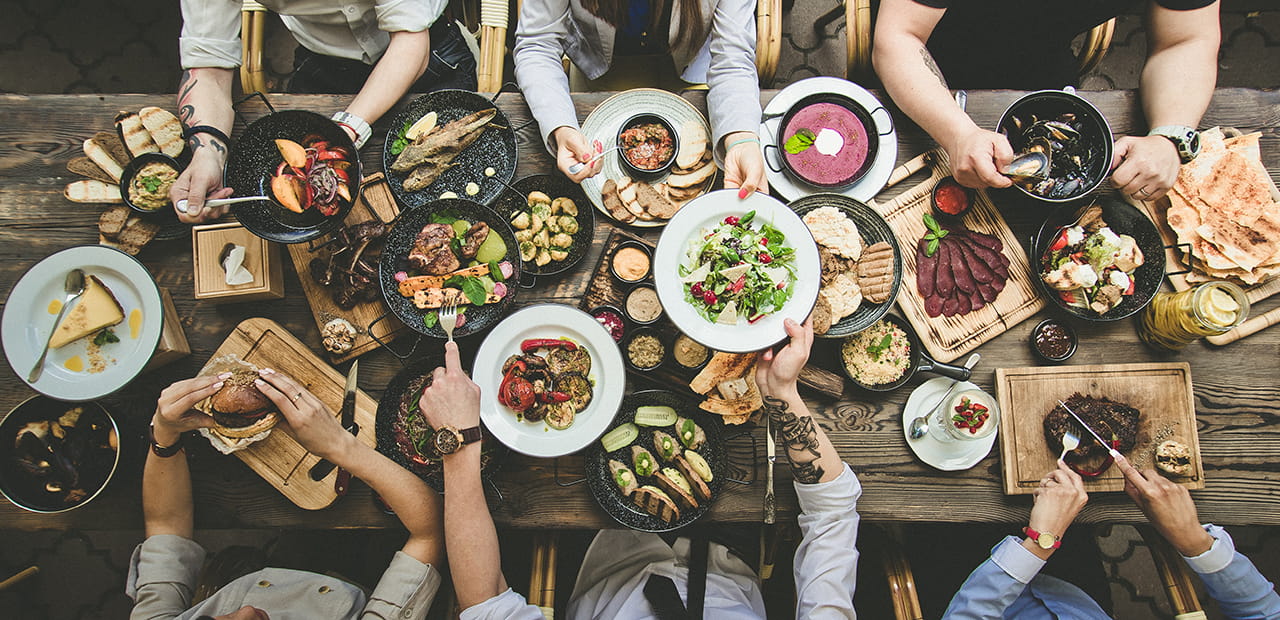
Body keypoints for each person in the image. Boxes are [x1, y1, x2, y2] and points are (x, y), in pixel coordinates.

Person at [417, 319, 860, 618]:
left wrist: (458, 441)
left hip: (604, 555)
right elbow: (832, 515)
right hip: (732, 555)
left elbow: (483, 602)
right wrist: (781, 392)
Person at [126, 369, 445, 619]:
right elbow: (429, 532)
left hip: (254, 564)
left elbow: (165, 524)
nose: (248, 611)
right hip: (365, 578)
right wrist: (340, 446)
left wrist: (164, 433)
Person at [872, 0, 1220, 201]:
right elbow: (898, 37)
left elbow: (1187, 40)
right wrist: (957, 133)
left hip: (1041, 65)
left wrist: (1171, 135)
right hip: (926, 59)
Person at [171, 0, 478, 223]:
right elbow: (207, 68)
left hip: (426, 51)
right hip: (324, 61)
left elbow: (411, 43)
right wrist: (207, 153)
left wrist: (342, 135)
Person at [941, 454, 1280, 619]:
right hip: (1075, 596)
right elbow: (1265, 613)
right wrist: (1194, 542)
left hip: (961, 590)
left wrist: (1039, 543)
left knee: (940, 520)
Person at [512, 0, 768, 199]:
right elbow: (537, 45)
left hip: (692, 69)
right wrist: (560, 125)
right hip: (600, 70)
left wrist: (741, 139)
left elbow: (732, 61)